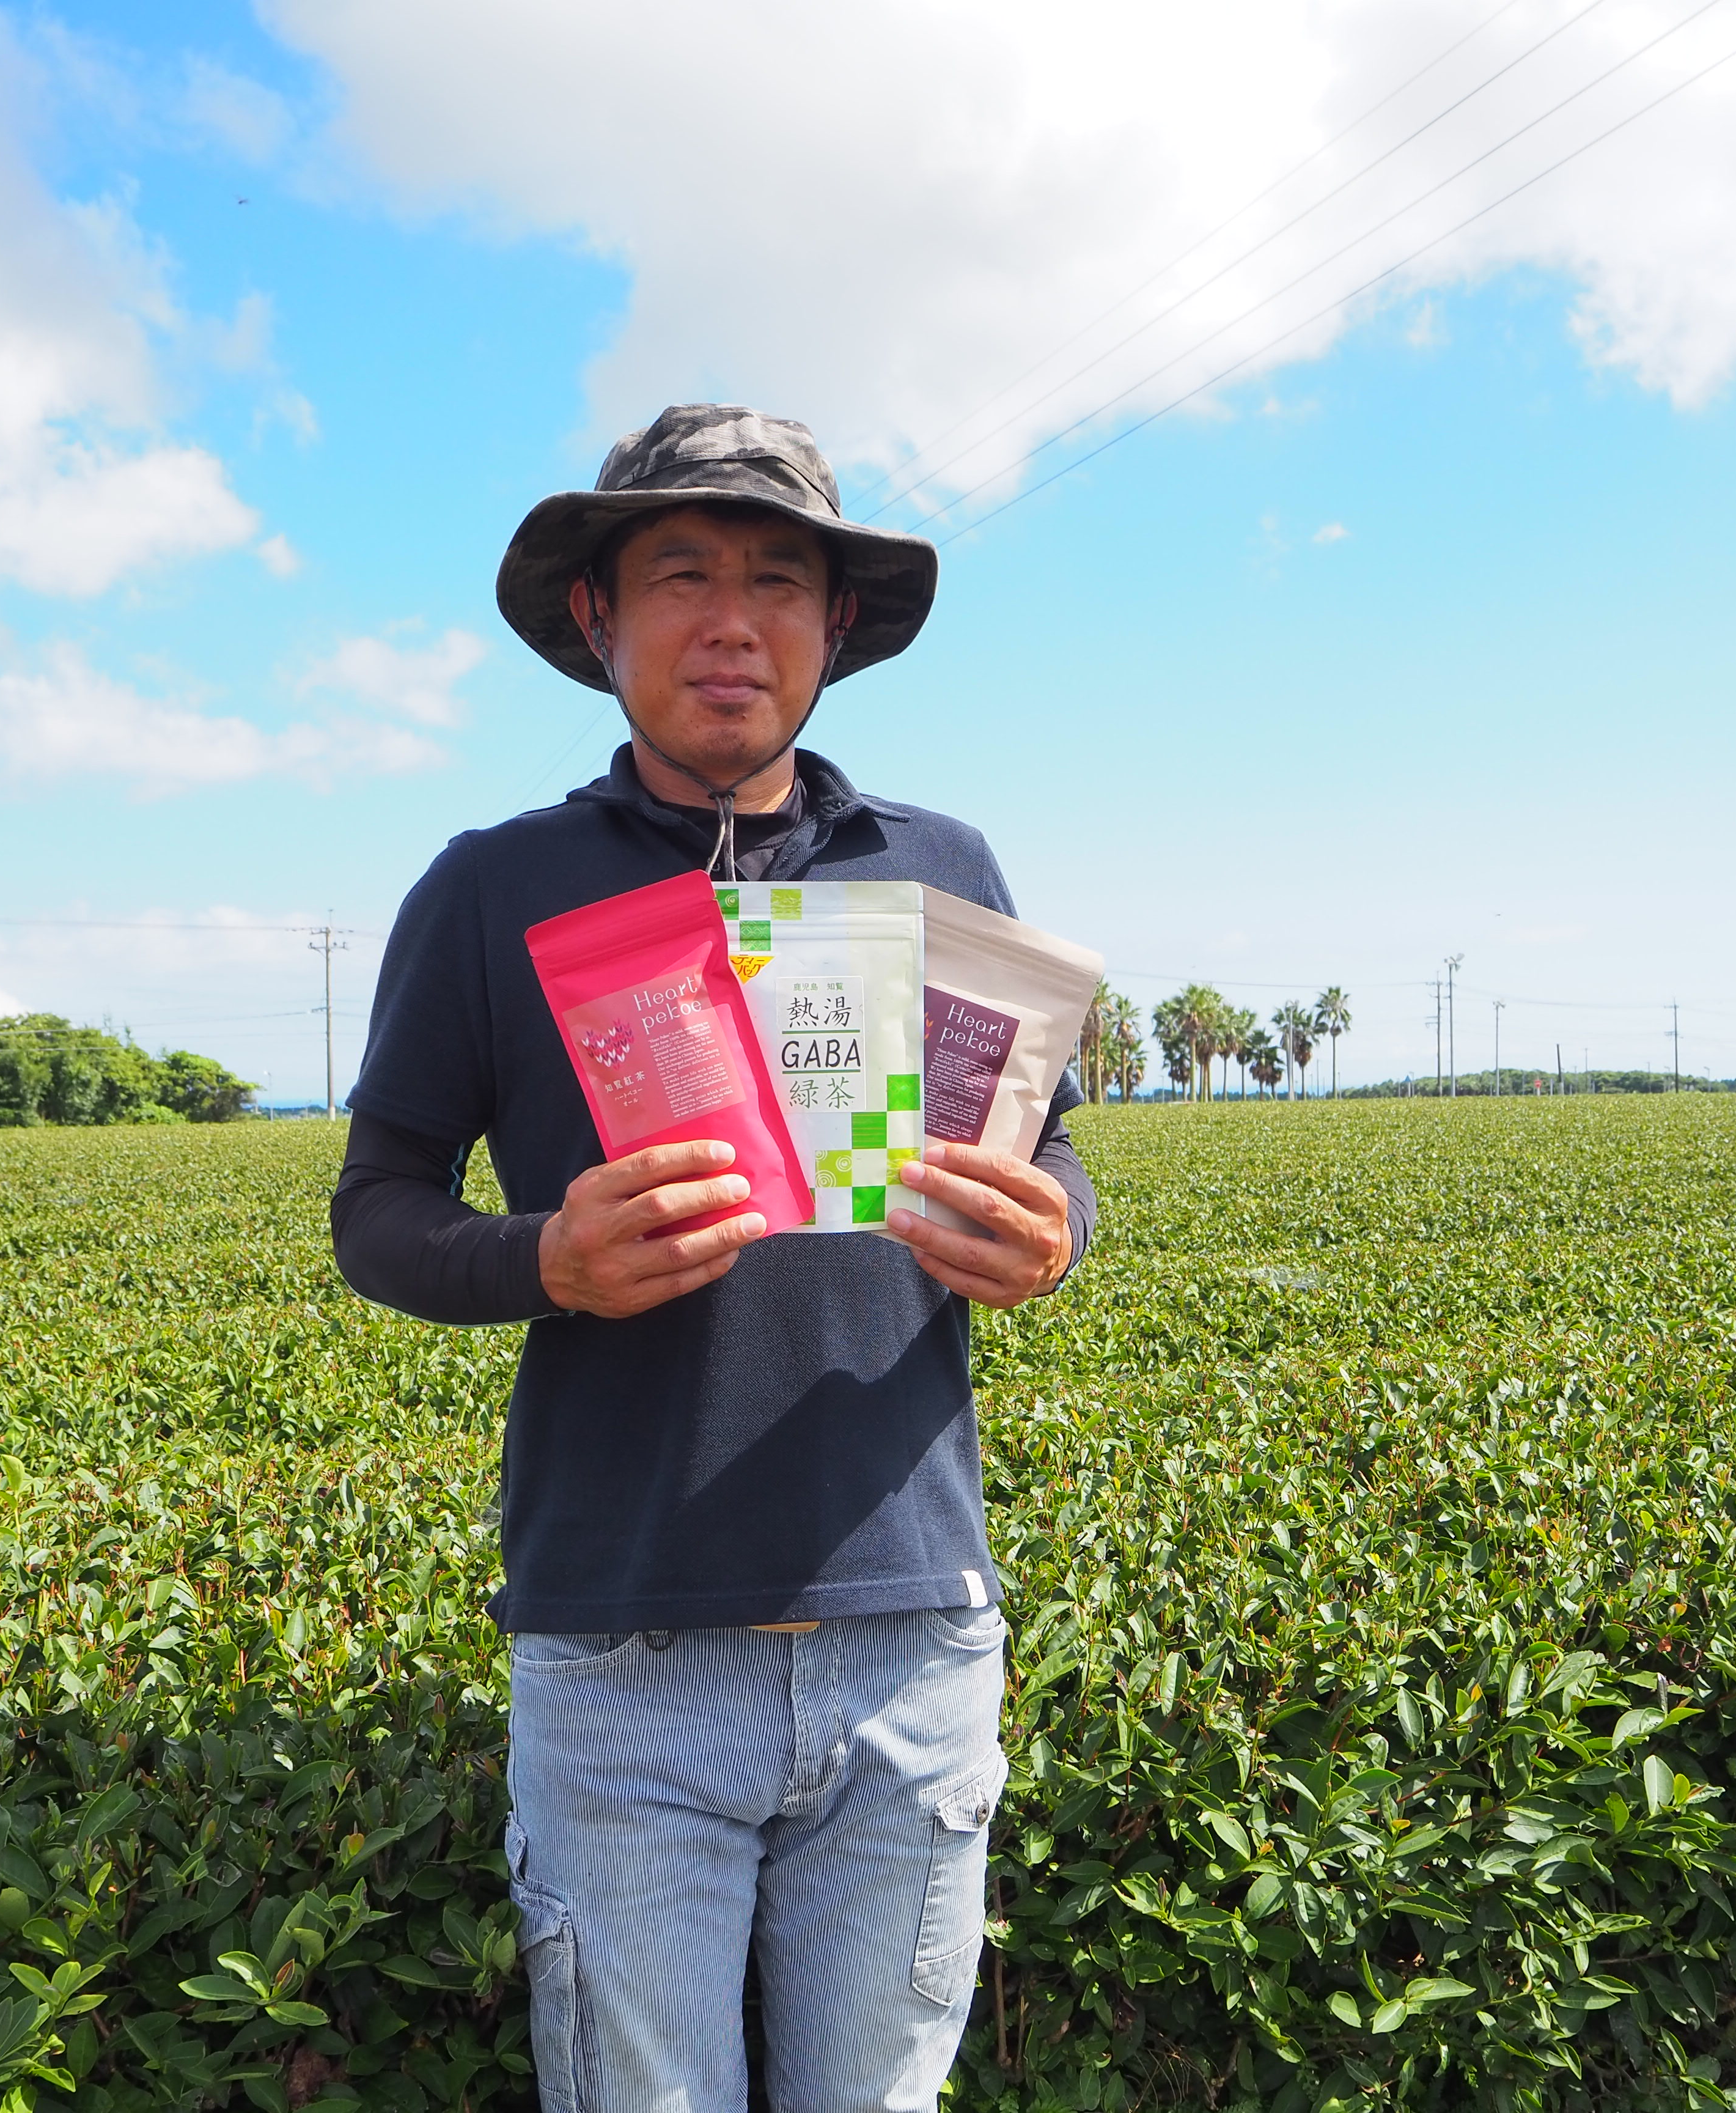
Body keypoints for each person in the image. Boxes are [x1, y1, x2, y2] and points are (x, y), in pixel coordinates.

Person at [331, 404, 1098, 2112]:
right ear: (599, 618)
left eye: (778, 578)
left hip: (908, 1628)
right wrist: (547, 1259)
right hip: (622, 1646)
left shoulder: (937, 868)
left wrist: (1049, 1236)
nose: (732, 619)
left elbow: (1041, 1156)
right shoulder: (490, 888)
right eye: (680, 572)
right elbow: (377, 1205)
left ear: (837, 629)